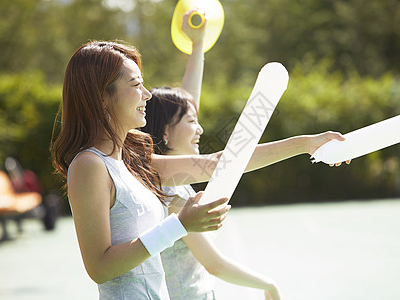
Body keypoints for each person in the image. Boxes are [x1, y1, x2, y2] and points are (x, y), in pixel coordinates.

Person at [51, 39, 347, 300]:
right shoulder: (89, 165)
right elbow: (100, 268)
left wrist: (307, 144)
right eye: (135, 85)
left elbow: (220, 164)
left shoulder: (132, 162)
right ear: (102, 97)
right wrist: (179, 225)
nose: (147, 95)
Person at [140, 11, 349, 300]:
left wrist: (198, 45)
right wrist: (268, 285)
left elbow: (183, 104)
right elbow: (215, 264)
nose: (199, 128)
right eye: (191, 122)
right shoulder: (169, 194)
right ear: (165, 133)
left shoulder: (166, 177)